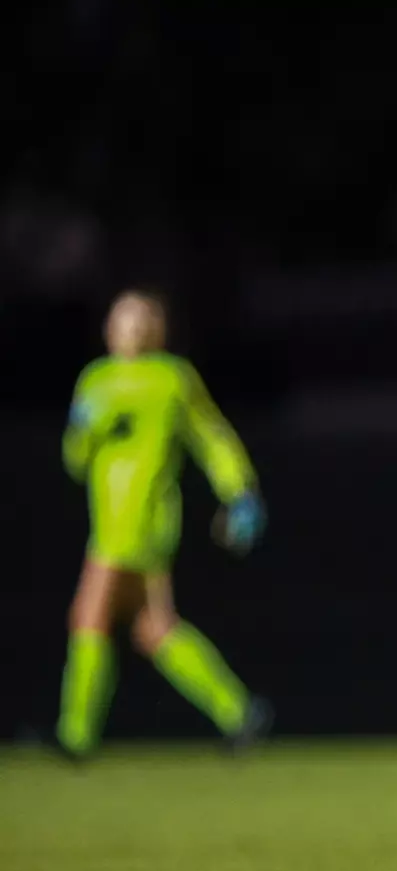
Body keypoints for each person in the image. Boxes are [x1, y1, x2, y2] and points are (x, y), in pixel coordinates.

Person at [56, 290, 272, 760]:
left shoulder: (171, 378)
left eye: (139, 320)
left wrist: (240, 492)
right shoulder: (95, 379)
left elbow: (210, 436)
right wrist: (87, 427)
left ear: (156, 329)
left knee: (89, 616)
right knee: (154, 628)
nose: (129, 328)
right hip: (110, 520)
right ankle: (238, 711)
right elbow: (74, 459)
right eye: (121, 318)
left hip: (141, 521)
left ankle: (75, 737)